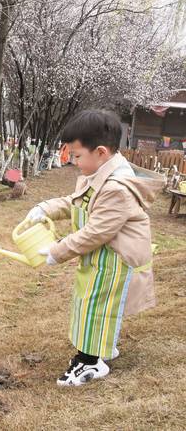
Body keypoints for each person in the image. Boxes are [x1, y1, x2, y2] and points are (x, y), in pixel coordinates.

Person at [26, 109, 163, 387]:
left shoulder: (116, 187)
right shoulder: (101, 173)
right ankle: (100, 349)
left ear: (100, 151)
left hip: (115, 259)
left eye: (77, 156)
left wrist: (57, 251)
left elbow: (96, 232)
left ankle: (90, 361)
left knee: (95, 307)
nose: (74, 162)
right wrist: (46, 209)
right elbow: (76, 202)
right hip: (102, 257)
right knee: (90, 303)